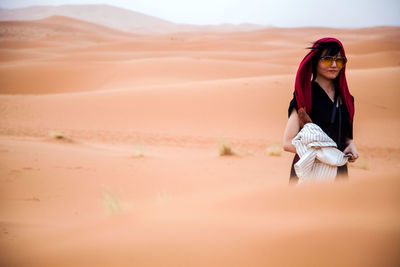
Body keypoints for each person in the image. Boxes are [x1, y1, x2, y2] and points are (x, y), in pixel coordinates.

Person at [282, 37, 359, 185]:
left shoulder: (347, 99)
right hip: (309, 174)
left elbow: (347, 138)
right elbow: (287, 143)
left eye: (340, 60)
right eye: (328, 59)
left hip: (339, 173)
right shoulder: (304, 97)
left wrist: (351, 147)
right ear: (315, 61)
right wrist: (325, 154)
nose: (334, 65)